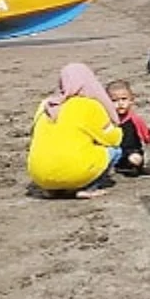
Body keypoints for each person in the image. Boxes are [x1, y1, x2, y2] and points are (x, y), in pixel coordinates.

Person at [27, 63, 123, 198]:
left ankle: (52, 189)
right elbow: (112, 138)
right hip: (75, 171)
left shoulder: (46, 105)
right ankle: (89, 188)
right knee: (115, 151)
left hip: (40, 175)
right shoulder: (88, 105)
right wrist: (117, 129)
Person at [106, 80, 150, 176]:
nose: (120, 104)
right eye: (114, 101)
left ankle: (131, 168)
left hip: (131, 151)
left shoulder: (135, 119)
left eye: (124, 99)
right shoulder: (107, 120)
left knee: (135, 159)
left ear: (131, 100)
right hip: (114, 151)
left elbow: (148, 136)